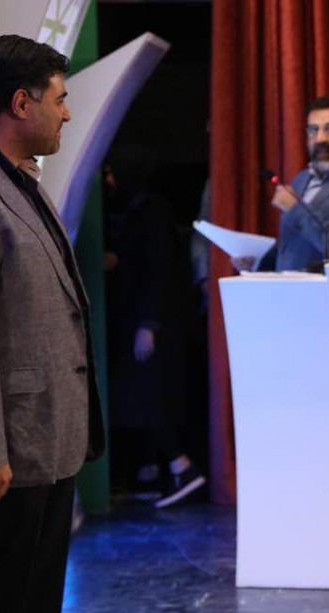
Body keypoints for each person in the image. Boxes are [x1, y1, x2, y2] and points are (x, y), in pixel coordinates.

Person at [0, 35, 105, 613]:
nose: (67, 113)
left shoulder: (23, 181)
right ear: (20, 103)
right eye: (59, 99)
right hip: (12, 457)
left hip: (49, 442)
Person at [103, 145, 205, 507]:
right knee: (137, 395)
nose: (109, 181)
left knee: (148, 396)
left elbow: (158, 272)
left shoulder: (152, 211)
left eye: (112, 173)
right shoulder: (132, 209)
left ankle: (182, 467)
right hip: (137, 320)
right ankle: (149, 473)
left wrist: (148, 325)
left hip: (151, 324)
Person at [237, 94, 329, 272]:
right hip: (288, 287)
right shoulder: (301, 180)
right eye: (313, 130)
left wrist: (296, 209)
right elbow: (295, 248)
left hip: (328, 290)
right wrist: (258, 262)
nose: (320, 138)